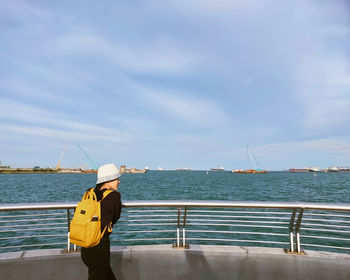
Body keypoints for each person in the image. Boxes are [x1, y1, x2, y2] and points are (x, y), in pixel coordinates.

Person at [81, 163, 122, 280]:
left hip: (86, 245)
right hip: (99, 247)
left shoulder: (90, 193)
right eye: (116, 178)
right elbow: (115, 217)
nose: (119, 181)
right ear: (108, 180)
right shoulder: (114, 196)